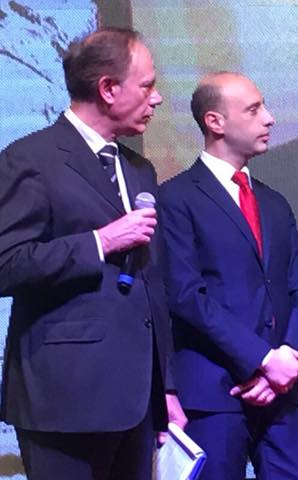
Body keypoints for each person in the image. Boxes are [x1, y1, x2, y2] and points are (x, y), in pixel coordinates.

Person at [0, 27, 184, 480]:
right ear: (107, 88)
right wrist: (99, 242)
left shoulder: (138, 169)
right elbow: (6, 264)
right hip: (64, 398)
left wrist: (167, 388)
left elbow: (151, 282)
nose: (157, 98)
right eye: (147, 85)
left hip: (137, 401)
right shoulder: (30, 158)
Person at [157, 72, 298, 479]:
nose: (269, 118)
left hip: (284, 393)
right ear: (215, 121)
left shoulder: (274, 202)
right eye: (253, 109)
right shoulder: (176, 198)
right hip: (215, 393)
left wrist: (289, 358)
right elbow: (187, 295)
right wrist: (262, 359)